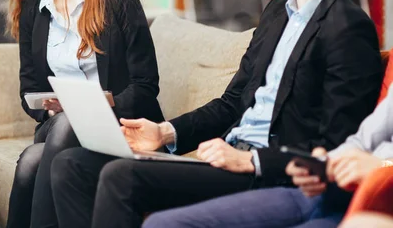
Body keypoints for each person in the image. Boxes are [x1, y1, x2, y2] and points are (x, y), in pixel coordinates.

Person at [50, 0, 384, 228]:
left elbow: (338, 144)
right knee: (71, 166)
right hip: (226, 159)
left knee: (121, 178)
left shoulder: (348, 27)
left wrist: (251, 159)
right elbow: (231, 102)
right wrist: (165, 133)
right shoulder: (276, 13)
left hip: (266, 174)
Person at [4, 0, 164, 228]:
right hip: (59, 128)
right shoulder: (34, 5)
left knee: (36, 157)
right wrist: (47, 106)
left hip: (119, 126)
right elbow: (29, 87)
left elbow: (147, 86)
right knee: (41, 148)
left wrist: (106, 102)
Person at [142, 82, 393, 228]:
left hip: (375, 202)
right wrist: (325, 162)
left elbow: (376, 163)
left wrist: (380, 168)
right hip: (326, 191)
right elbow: (361, 141)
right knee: (162, 224)